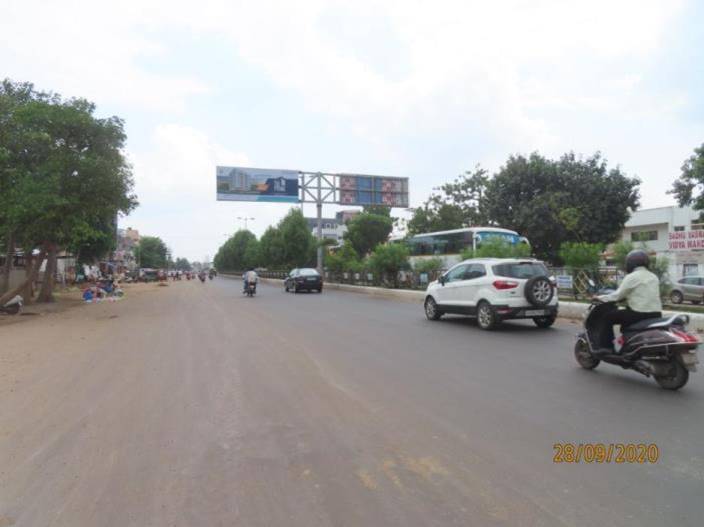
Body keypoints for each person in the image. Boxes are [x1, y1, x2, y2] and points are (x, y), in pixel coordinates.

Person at [594, 249, 662, 354]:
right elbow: (642, 295)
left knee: (608, 317)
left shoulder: (631, 277)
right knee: (624, 315)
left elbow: (617, 296)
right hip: (656, 314)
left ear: (630, 263)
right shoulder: (654, 277)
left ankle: (606, 347)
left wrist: (600, 298)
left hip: (638, 314)